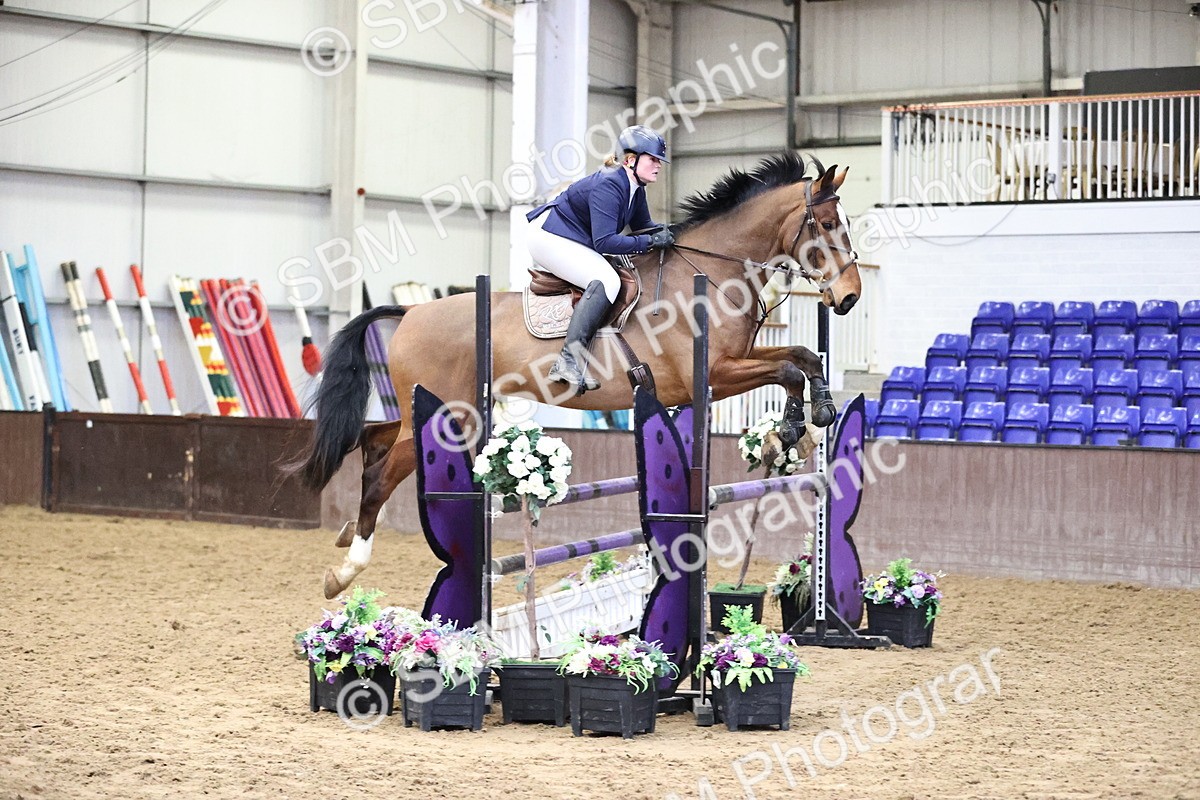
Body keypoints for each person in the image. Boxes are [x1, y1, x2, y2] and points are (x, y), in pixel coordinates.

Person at [525, 125, 675, 393]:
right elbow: (605, 242)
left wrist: (674, 232)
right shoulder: (610, 184)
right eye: (653, 159)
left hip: (571, 237)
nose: (658, 165)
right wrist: (650, 242)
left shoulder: (635, 188)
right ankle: (567, 361)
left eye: (658, 161)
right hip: (548, 237)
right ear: (631, 159)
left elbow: (643, 227)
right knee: (607, 280)